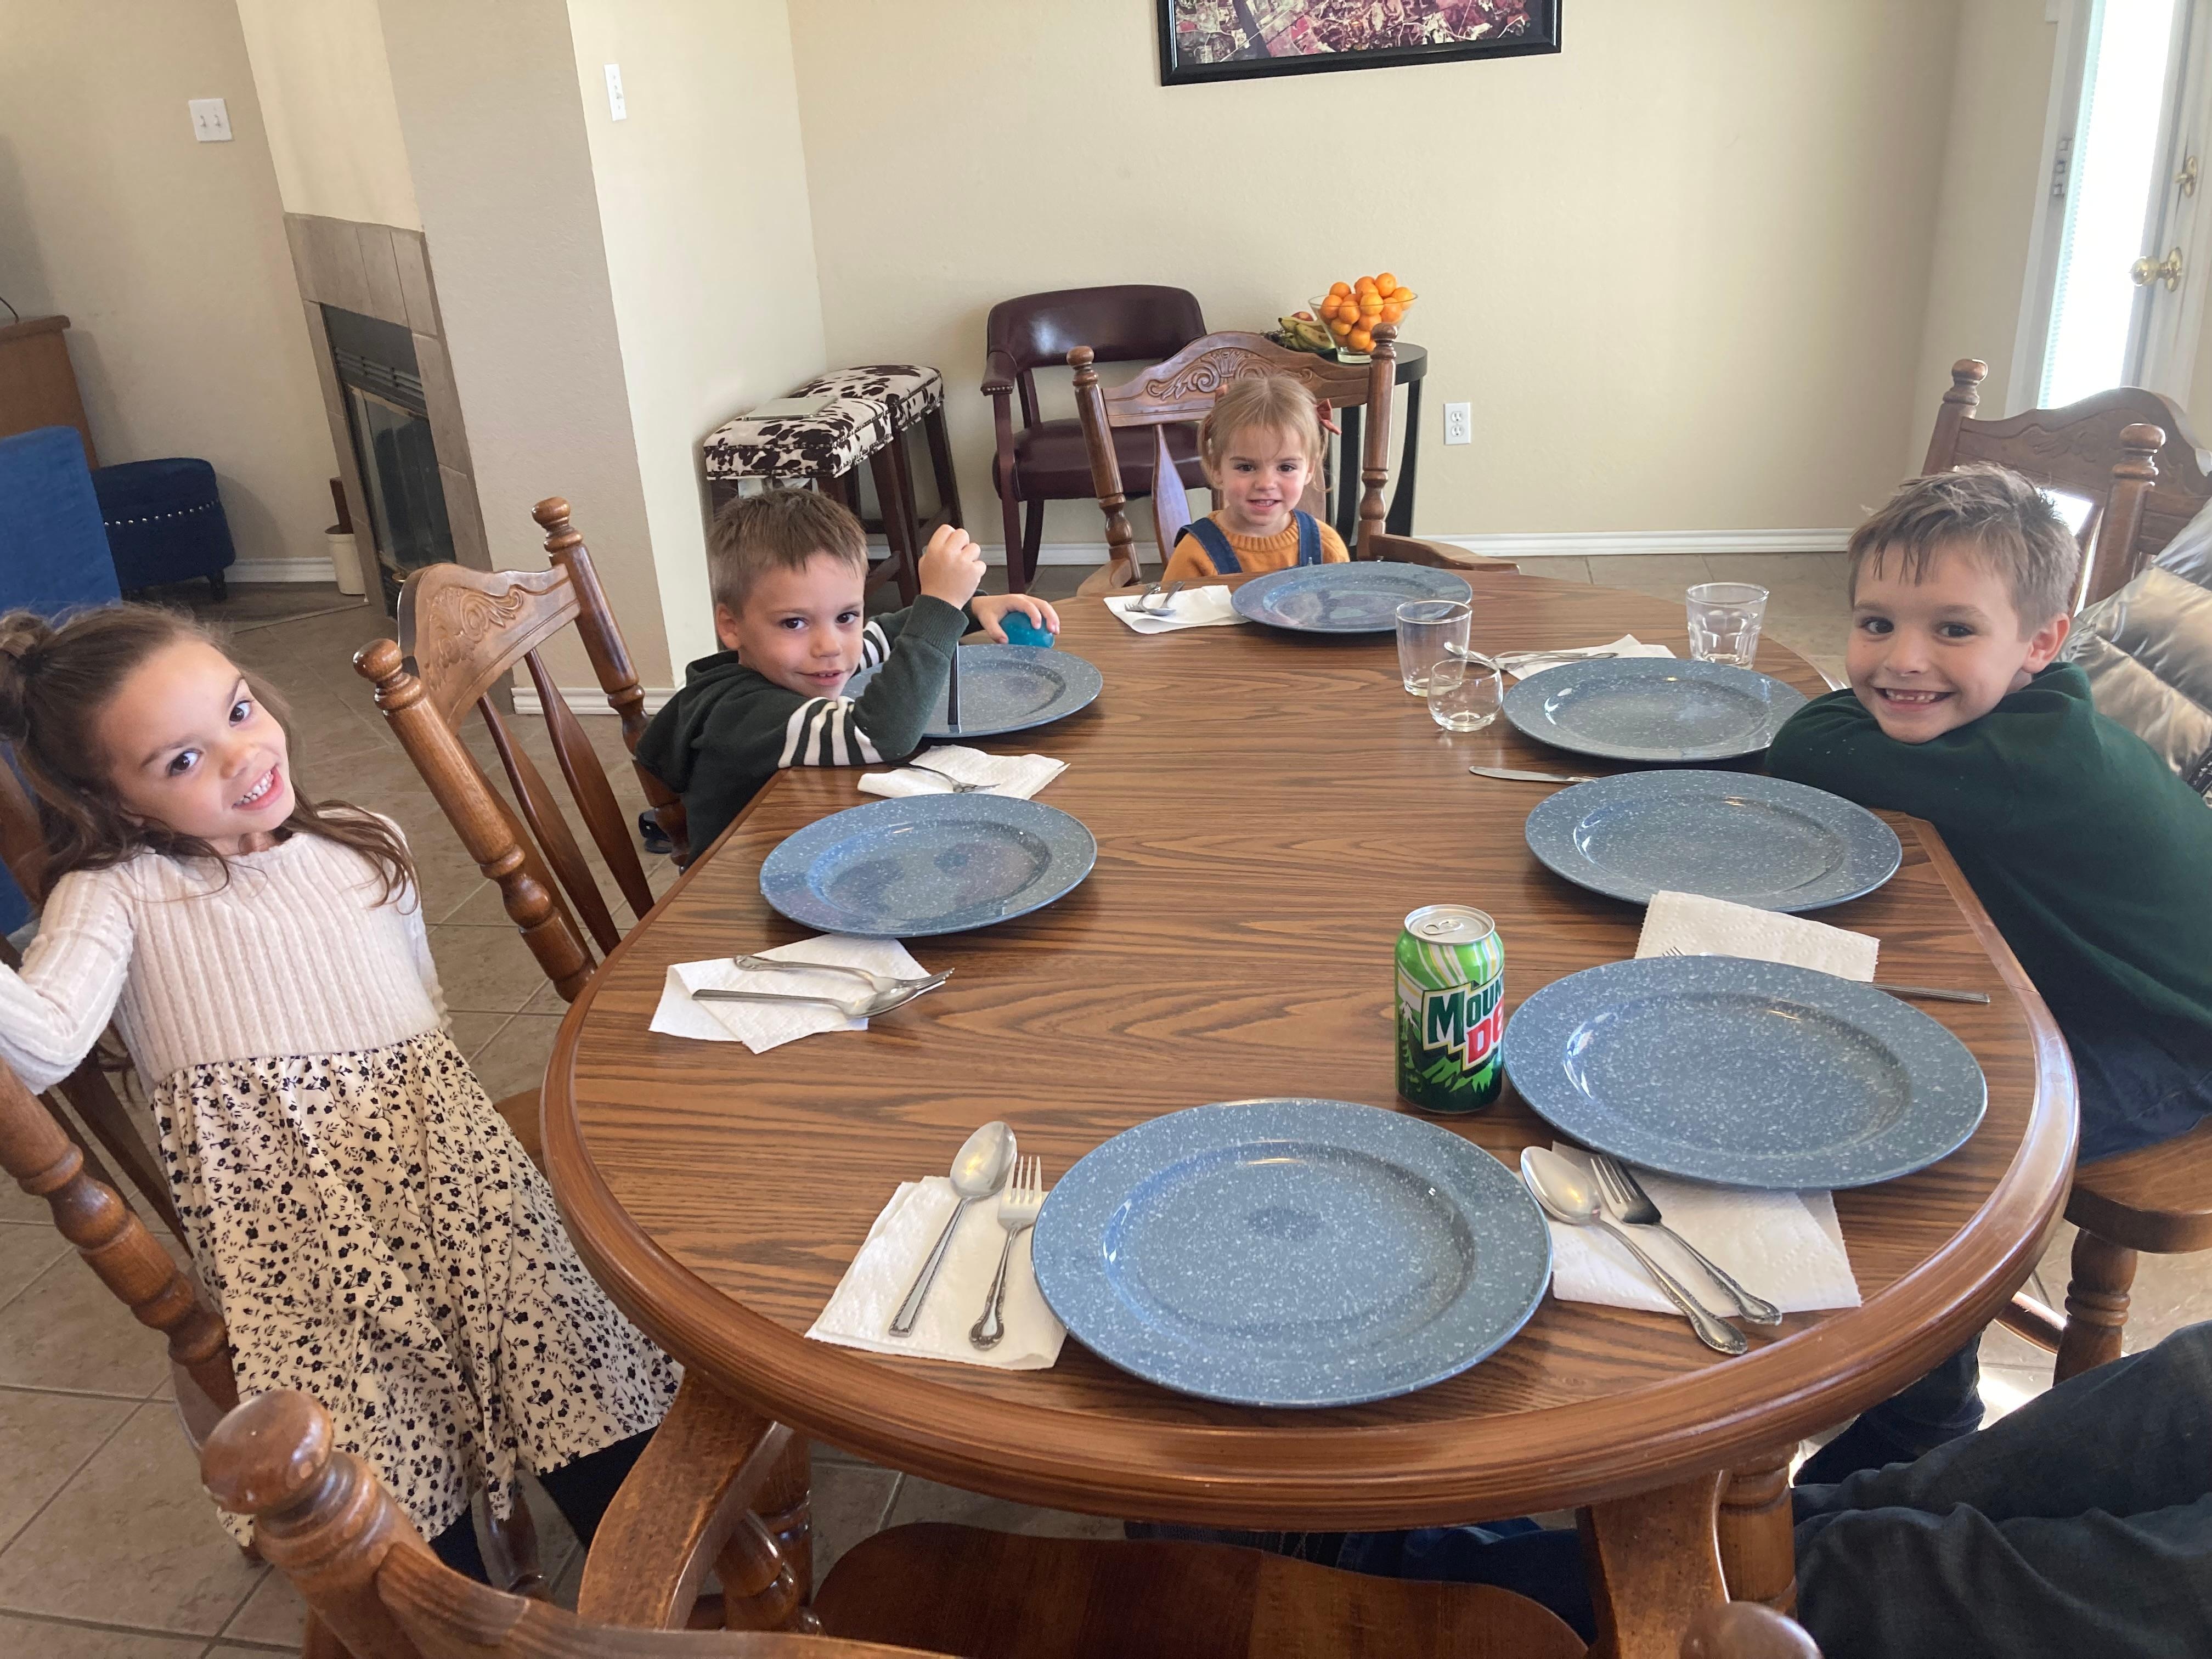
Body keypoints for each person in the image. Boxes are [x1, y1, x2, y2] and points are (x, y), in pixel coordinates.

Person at [0, 605, 679, 1579]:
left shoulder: (364, 841)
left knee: (588, 1382)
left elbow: (426, 1012)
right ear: (122, 802)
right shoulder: (116, 893)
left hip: (457, 1181)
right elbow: (39, 1050)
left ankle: (652, 1584)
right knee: (383, 1503)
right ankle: (456, 1608)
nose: (241, 756)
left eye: (237, 709)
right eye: (180, 761)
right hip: (297, 1245)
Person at [1764, 464, 2212, 1481]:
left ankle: (1924, 1415)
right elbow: (1833, 731)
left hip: (2177, 1038)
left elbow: (1805, 743)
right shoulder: (2012, 721)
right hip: (2106, 983)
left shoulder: (2024, 758)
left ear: (2042, 643)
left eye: (1952, 630)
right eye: (1875, 623)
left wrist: (1851, 711)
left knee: (1946, 1150)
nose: (1901, 660)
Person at [636, 489, 1058, 857]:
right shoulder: (743, 713)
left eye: (846, 616)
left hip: (805, 845)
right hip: (740, 900)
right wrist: (940, 608)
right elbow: (880, 734)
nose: (830, 647)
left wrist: (968, 608)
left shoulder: (801, 665)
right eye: (793, 623)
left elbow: (883, 635)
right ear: (731, 626)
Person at [1154, 374, 1351, 585]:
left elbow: (1342, 612)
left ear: (1310, 469)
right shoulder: (1196, 554)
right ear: (1216, 468)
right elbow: (1170, 614)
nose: (1266, 484)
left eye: (1286, 467)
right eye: (1246, 467)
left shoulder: (1326, 546)